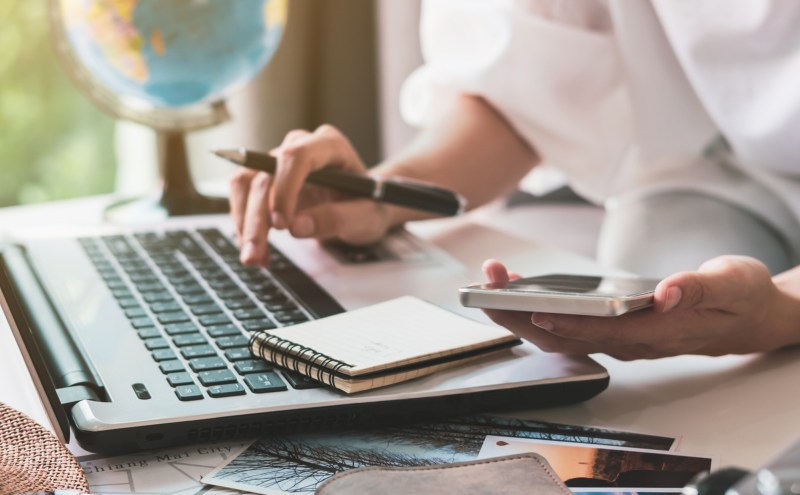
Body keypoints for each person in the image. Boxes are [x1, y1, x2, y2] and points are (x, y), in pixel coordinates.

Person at [228, 0, 800, 360]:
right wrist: (383, 194)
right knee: (669, 298)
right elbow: (526, 90)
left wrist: (779, 312)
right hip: (726, 175)